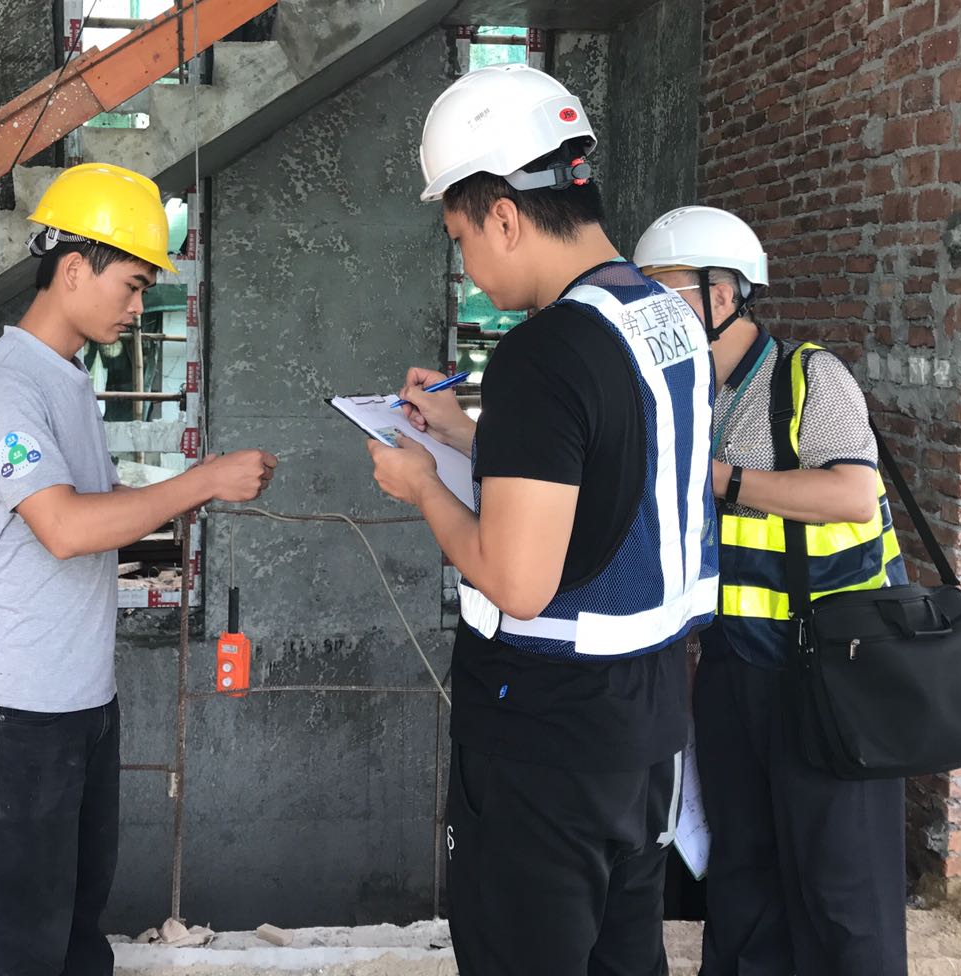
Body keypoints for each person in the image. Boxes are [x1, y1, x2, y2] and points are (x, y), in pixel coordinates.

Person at [366, 64, 718, 976]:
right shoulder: (666, 319)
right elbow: (609, 463)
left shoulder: (540, 353)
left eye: (459, 237)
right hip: (647, 723)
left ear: (504, 217)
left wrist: (424, 486)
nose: (467, 265)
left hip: (546, 738)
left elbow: (518, 581)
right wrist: (465, 432)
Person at [0, 162, 278, 976]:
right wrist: (200, 481)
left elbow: (96, 511)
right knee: (15, 949)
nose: (137, 308)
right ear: (72, 270)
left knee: (72, 937)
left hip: (82, 704)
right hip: (20, 713)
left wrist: (188, 493)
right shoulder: (3, 388)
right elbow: (64, 527)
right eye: (132, 286)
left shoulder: (65, 383)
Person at [633, 204, 908, 976]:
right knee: (743, 877)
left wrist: (726, 479)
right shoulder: (685, 396)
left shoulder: (810, 379)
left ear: (723, 295)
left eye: (665, 294)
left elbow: (853, 493)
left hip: (830, 674)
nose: (652, 314)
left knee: (843, 890)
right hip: (733, 670)